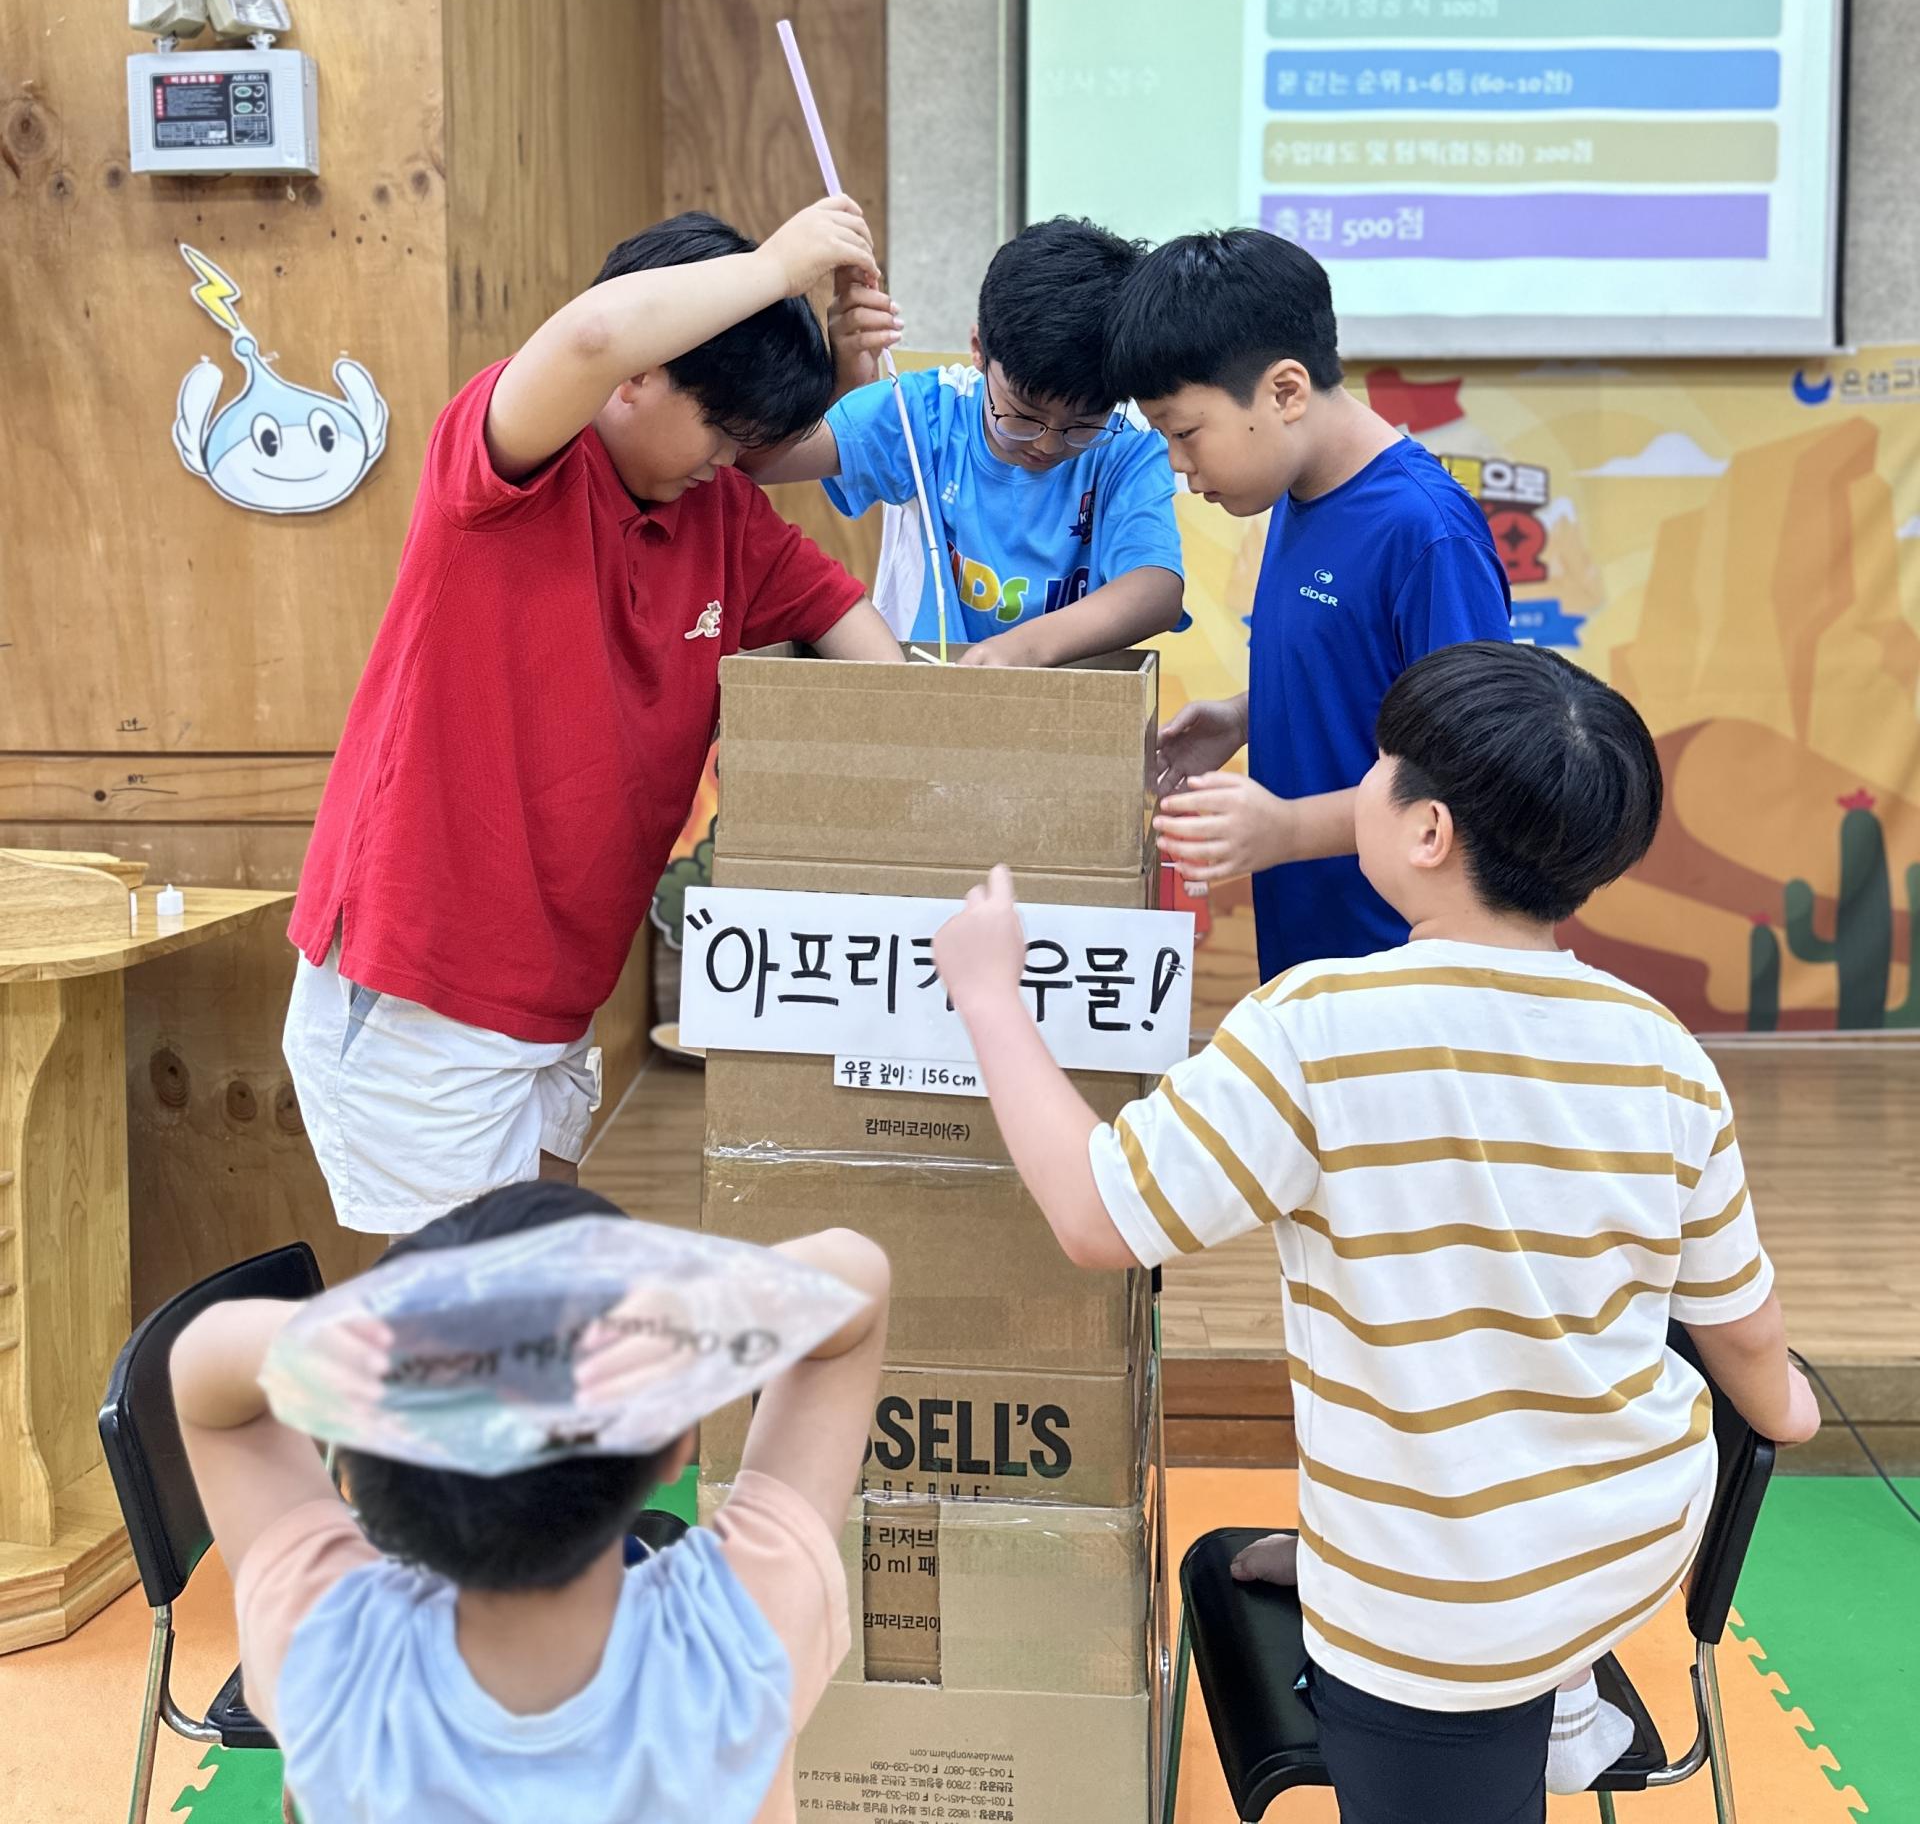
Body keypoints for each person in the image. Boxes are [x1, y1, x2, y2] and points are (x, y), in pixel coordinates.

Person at [932, 643, 1820, 1823]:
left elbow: (1099, 1216)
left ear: (1428, 831)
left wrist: (989, 995)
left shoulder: (1319, 1026)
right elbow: (1742, 1332)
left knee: (1449, 1632)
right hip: (1626, 1538)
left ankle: (1513, 1666)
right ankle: (1553, 1674)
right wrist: (1786, 1414)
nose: (1360, 782)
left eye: (1377, 764)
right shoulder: (1666, 1053)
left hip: (1439, 1613)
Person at [284, 202, 902, 1235]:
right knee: (473, 1317)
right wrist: (777, 266)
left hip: (555, 997)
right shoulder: (511, 471)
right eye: (720, 428)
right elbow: (592, 333)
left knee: (550, 1284)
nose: (730, 458)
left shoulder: (722, 515)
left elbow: (856, 633)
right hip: (426, 988)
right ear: (637, 377)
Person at [169, 1180, 892, 1824]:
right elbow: (857, 1274)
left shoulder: (335, 1662)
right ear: (675, 1441)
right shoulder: (736, 1641)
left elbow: (202, 1372)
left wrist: (382, 1344)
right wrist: (679, 1315)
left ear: (360, 1466)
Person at [1102, 229, 1511, 978]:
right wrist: (1244, 716)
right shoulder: (1298, 490)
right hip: (1310, 952)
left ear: (1286, 392)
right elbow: (1372, 677)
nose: (1178, 465)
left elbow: (1475, 776)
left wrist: (1288, 829)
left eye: (1186, 433)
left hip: (1404, 968)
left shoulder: (1426, 532)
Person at [748, 215, 1186, 666]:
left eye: (1083, 426)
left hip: (1063, 704)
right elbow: (759, 458)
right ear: (979, 350)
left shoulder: (1127, 447)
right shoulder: (927, 413)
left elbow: (1157, 589)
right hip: (926, 690)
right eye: (1023, 416)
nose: (1048, 445)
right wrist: (840, 382)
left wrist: (1022, 650)